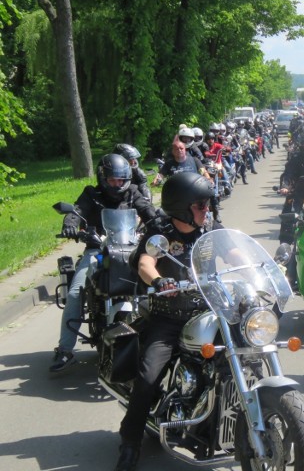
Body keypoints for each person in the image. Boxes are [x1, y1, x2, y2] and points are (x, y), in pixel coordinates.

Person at [114, 172, 222, 471]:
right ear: (182, 206)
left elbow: (232, 249)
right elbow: (145, 263)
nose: (206, 210)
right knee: (148, 379)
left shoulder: (209, 228)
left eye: (208, 204)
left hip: (207, 313)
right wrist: (159, 280)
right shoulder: (159, 232)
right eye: (201, 205)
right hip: (168, 317)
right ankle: (130, 441)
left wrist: (260, 267)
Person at [50, 154, 156, 373]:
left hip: (129, 248)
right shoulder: (92, 193)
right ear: (103, 177)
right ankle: (65, 349)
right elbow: (77, 211)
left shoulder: (133, 192)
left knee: (154, 287)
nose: (117, 184)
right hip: (97, 249)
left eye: (121, 180)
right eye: (112, 180)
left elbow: (148, 211)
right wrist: (71, 224)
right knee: (76, 292)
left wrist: (160, 222)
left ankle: (154, 344)